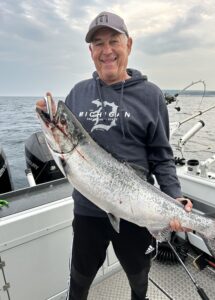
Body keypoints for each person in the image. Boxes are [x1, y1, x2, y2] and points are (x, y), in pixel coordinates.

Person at [37, 11, 192, 300]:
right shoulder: (77, 93)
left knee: (138, 279)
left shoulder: (151, 95)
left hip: (137, 212)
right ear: (90, 51)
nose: (106, 51)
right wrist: (49, 121)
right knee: (79, 279)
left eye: (113, 41)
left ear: (128, 45)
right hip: (87, 211)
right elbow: (67, 145)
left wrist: (175, 196)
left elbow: (161, 156)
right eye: (98, 44)